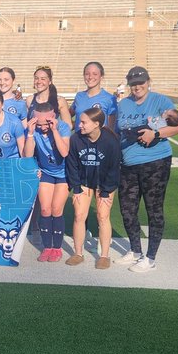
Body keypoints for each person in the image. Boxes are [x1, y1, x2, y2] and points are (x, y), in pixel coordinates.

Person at [116, 66, 178, 273]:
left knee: (154, 209)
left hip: (156, 162)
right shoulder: (123, 103)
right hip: (128, 164)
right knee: (127, 210)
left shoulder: (160, 100)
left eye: (141, 82)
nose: (137, 86)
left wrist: (155, 134)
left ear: (148, 81)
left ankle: (150, 257)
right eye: (134, 83)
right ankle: (136, 251)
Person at [65, 107, 119, 270]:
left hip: (105, 183)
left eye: (83, 122)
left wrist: (105, 191)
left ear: (97, 124)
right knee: (79, 215)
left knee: (103, 216)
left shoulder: (110, 140)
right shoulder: (76, 139)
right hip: (84, 182)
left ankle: (104, 256)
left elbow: (114, 168)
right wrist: (77, 188)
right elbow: (72, 165)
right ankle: (78, 253)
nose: (79, 125)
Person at [27, 101, 71, 262]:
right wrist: (30, 133)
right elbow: (27, 155)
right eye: (39, 123)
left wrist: (54, 131)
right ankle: (47, 247)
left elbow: (64, 152)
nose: (43, 126)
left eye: (46, 122)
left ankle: (57, 248)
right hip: (46, 172)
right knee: (45, 210)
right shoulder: (35, 129)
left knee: (56, 209)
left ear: (53, 117)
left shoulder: (63, 127)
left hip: (63, 173)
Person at [72, 61, 118, 134]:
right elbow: (68, 115)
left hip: (100, 142)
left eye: (95, 74)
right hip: (80, 142)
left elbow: (111, 127)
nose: (90, 77)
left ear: (101, 76)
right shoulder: (79, 96)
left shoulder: (109, 98)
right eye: (87, 74)